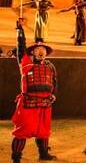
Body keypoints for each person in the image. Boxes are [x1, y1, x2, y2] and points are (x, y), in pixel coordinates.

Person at [10, 18, 57, 162]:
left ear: (46, 53)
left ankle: (43, 153)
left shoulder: (50, 67)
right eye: (38, 49)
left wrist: (53, 94)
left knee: (43, 130)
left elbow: (54, 82)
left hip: (45, 103)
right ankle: (16, 157)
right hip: (28, 103)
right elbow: (21, 48)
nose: (41, 51)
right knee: (22, 131)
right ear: (33, 53)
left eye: (43, 49)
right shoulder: (26, 65)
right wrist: (20, 31)